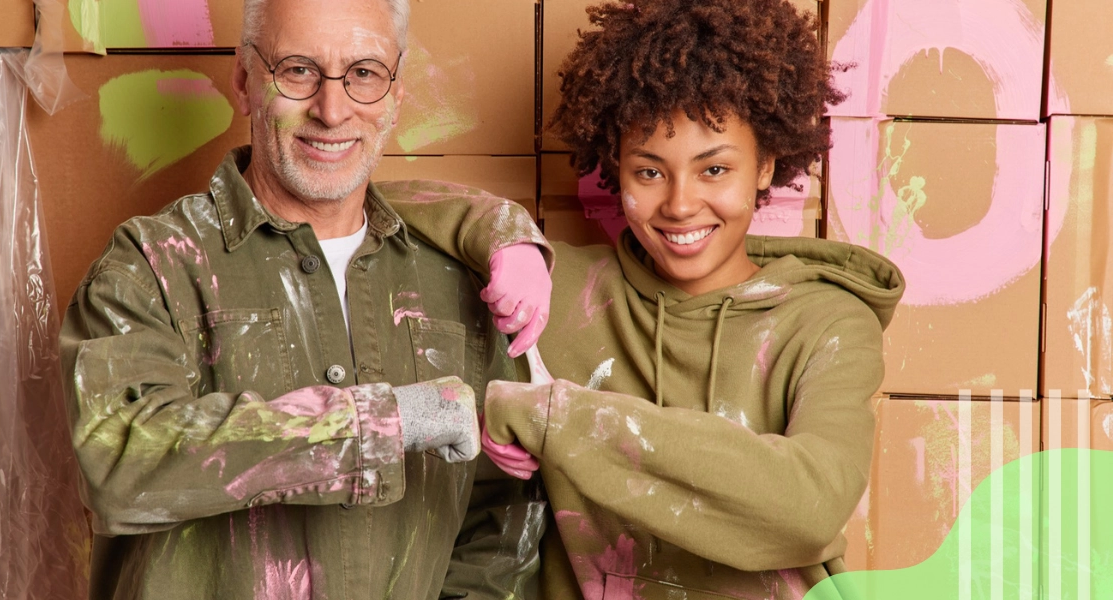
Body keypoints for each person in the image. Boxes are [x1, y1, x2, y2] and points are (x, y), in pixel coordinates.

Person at [384, 0, 907, 597]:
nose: (680, 205)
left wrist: (558, 419)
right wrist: (505, 235)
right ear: (615, 169)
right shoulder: (563, 299)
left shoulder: (828, 322)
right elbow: (355, 202)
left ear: (765, 165)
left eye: (714, 170)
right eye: (650, 172)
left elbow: (810, 509)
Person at [58, 0, 554, 597]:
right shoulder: (149, 267)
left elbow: (503, 524)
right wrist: (386, 422)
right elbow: (120, 463)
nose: (332, 109)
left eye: (364, 73)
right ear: (244, 80)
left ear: (396, 94)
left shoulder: (458, 285)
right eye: (298, 70)